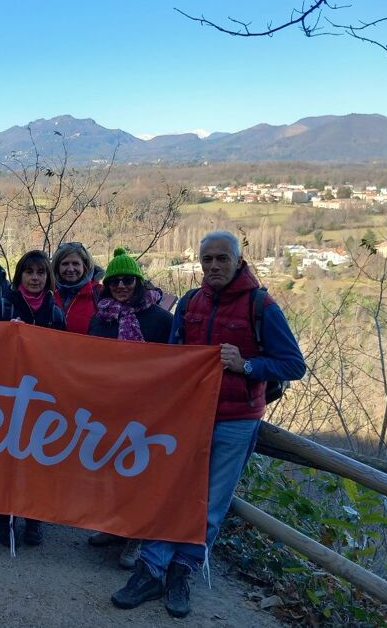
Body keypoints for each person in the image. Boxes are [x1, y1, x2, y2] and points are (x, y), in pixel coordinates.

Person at [111, 231, 305, 618]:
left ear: (237, 260)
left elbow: (293, 364)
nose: (214, 266)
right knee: (171, 493)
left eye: (222, 259)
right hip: (189, 416)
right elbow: (174, 355)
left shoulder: (262, 306)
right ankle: (150, 569)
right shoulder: (190, 303)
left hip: (236, 421)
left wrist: (248, 365)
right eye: (207, 260)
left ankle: (181, 574)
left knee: (211, 504)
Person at [86, 247, 173, 569]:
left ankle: (136, 536)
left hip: (149, 410)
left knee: (140, 473)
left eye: (128, 280)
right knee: (111, 470)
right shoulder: (101, 318)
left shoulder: (161, 319)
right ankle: (113, 527)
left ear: (139, 282)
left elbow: (177, 362)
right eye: (115, 281)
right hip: (109, 405)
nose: (121, 286)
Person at [0, 249, 65, 548]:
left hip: (42, 399)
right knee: (6, 461)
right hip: (7, 397)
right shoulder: (2, 306)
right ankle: (5, 519)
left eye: (41, 272)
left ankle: (34, 520)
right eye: (29, 272)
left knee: (37, 462)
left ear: (48, 277)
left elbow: (63, 358)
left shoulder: (55, 313)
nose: (35, 278)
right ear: (20, 275)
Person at [52, 242, 102, 334]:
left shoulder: (100, 293)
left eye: (75, 263)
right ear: (57, 267)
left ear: (84, 266)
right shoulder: (48, 292)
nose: (70, 269)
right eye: (65, 264)